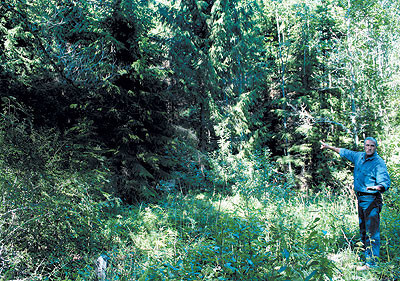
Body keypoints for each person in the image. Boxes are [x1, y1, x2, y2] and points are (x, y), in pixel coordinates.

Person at [320, 137, 391, 270]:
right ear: (364, 146)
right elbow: (344, 151)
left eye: (372, 146)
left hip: (372, 200)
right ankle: (366, 258)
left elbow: (385, 182)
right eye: (367, 145)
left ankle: (372, 263)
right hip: (361, 198)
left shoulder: (378, 162)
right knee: (363, 229)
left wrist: (377, 187)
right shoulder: (359, 156)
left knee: (372, 232)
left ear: (376, 147)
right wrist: (329, 147)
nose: (369, 148)